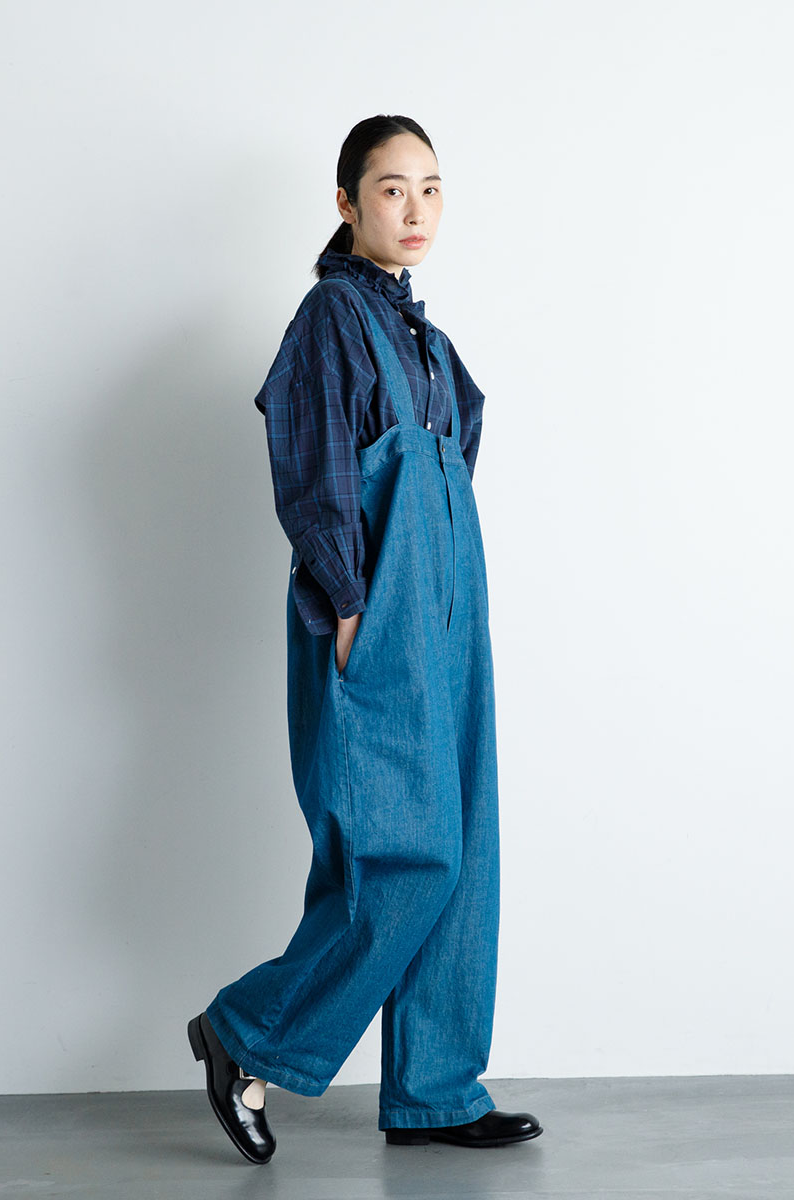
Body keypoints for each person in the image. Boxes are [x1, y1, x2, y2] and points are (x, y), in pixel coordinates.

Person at [188, 114, 541, 1163]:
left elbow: (455, 450)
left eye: (431, 188)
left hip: (449, 614)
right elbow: (311, 467)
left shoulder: (425, 339)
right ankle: (245, 1034)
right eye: (392, 188)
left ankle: (435, 1091)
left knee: (461, 852)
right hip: (375, 615)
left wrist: (434, 576)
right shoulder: (331, 319)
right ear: (347, 203)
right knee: (401, 858)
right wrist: (352, 602)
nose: (416, 209)